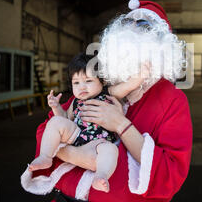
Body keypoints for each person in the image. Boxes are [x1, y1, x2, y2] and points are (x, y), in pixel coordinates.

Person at [21, 0, 193, 202]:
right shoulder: (97, 84)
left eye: (142, 25)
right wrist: (75, 153)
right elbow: (45, 131)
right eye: (125, 23)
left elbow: (170, 174)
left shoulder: (171, 99)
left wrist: (120, 124)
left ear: (161, 45)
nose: (130, 29)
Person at [28, 52, 150, 193]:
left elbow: (128, 86)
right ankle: (45, 156)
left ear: (102, 81)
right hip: (77, 135)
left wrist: (142, 74)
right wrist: (56, 107)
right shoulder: (75, 101)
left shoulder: (107, 93)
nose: (82, 87)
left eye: (88, 81)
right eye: (76, 83)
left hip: (99, 143)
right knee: (55, 122)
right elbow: (65, 120)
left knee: (110, 150)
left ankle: (101, 175)